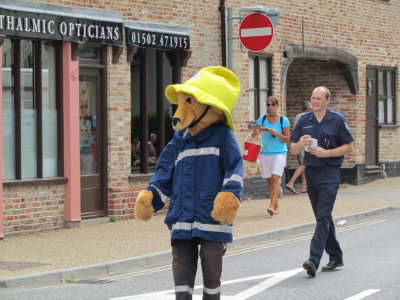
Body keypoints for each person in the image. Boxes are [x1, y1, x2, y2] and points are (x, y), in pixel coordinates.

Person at [290, 86, 354, 277]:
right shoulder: (304, 120)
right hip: (311, 173)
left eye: (319, 98)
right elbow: (292, 149)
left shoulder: (337, 120)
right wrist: (299, 144)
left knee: (324, 214)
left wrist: (327, 153)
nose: (315, 101)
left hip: (330, 173)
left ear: (328, 100)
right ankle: (336, 256)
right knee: (322, 217)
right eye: (313, 98)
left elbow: (348, 146)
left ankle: (313, 260)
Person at [253, 96, 290, 216]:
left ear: (277, 105)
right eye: (268, 105)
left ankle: (271, 205)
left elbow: (286, 139)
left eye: (273, 104)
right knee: (269, 180)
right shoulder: (262, 119)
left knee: (275, 177)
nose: (270, 107)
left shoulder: (283, 120)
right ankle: (275, 204)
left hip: (279, 153)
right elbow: (254, 135)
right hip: (265, 153)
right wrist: (260, 130)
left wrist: (276, 133)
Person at [285, 101, 312, 194]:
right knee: (304, 164)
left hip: (298, 142)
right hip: (302, 143)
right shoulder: (304, 117)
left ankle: (304, 187)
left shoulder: (298, 116)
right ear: (308, 109)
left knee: (303, 164)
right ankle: (291, 183)